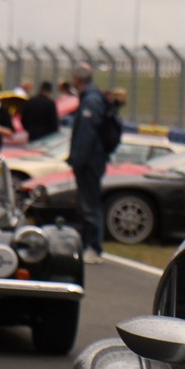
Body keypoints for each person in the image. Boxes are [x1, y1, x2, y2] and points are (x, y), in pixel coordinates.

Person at [66, 63, 111, 263]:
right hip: (91, 159)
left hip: (90, 161)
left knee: (90, 203)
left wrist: (77, 160)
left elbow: (86, 134)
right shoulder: (90, 97)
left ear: (77, 78)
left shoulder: (91, 100)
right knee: (87, 204)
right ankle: (87, 245)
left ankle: (93, 247)